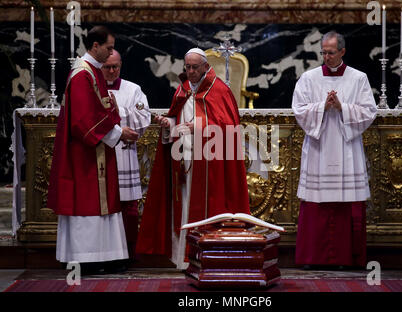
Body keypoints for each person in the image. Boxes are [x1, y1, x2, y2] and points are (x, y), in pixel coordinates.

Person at [136, 47, 250, 269]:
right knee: (184, 206)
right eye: (187, 67)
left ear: (206, 66)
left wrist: (197, 127)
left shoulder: (219, 91)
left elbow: (228, 128)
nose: (190, 72)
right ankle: (184, 258)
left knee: (208, 207)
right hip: (184, 160)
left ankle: (209, 258)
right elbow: (176, 118)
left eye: (194, 67)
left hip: (211, 164)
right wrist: (168, 124)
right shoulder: (182, 90)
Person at [47, 26, 139, 275]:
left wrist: (118, 128)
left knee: (100, 205)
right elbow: (84, 120)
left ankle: (104, 256)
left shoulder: (92, 72)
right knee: (86, 205)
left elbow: (102, 109)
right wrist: (119, 133)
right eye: (108, 48)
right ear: (95, 46)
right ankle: (85, 258)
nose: (111, 53)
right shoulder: (82, 75)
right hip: (84, 156)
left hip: (96, 150)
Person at [291, 31, 377, 269]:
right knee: (315, 204)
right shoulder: (308, 78)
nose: (326, 57)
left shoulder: (358, 78)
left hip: (346, 147)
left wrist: (342, 108)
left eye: (330, 52)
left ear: (342, 51)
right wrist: (321, 107)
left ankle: (345, 259)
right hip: (319, 148)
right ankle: (312, 258)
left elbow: (369, 111)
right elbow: (298, 109)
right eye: (323, 52)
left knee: (344, 204)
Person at [101, 49, 151, 262]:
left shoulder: (133, 89)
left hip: (124, 155)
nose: (112, 71)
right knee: (103, 207)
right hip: (99, 158)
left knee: (127, 208)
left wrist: (116, 111)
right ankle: (103, 255)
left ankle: (127, 255)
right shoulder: (90, 88)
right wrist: (122, 115)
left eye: (116, 67)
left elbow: (143, 118)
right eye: (107, 67)